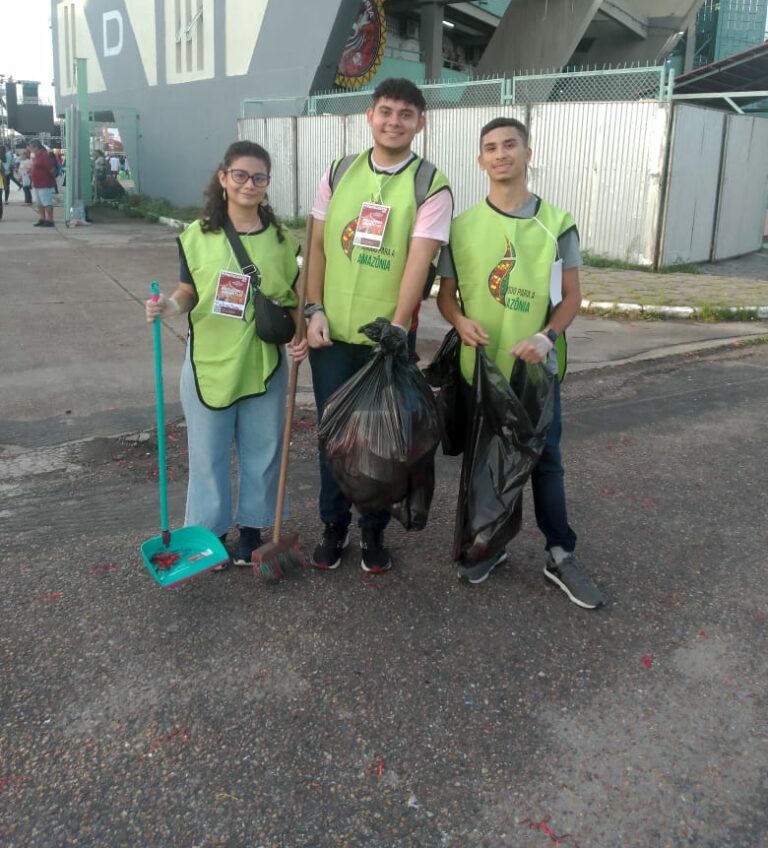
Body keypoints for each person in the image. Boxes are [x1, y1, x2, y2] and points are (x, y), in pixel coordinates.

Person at [436, 117, 604, 608]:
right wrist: (459, 322)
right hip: (481, 371)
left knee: (546, 463)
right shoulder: (462, 227)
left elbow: (572, 297)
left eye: (510, 145)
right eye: (490, 147)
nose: (500, 154)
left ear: (528, 153)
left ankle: (560, 554)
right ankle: (489, 544)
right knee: (484, 462)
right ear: (480, 160)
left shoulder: (556, 223)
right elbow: (446, 296)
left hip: (535, 373)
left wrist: (547, 336)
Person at [305, 77, 453, 573]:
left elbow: (418, 261)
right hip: (330, 335)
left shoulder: (429, 185)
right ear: (370, 115)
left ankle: (372, 533)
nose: (394, 121)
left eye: (406, 114)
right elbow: (320, 246)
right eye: (386, 111)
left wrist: (395, 327)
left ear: (420, 123)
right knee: (334, 435)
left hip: (386, 340)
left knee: (381, 442)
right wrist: (312, 309)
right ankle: (333, 526)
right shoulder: (338, 172)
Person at [145, 140, 308, 567]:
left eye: (259, 177)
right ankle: (208, 535)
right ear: (223, 178)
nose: (249, 184)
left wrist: (302, 331)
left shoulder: (281, 240)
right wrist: (168, 309)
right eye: (240, 175)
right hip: (208, 363)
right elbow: (187, 292)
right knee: (207, 453)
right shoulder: (195, 237)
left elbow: (294, 296)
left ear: (268, 184)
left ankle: (252, 532)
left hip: (263, 362)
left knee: (264, 449)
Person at [28, 139, 57, 227]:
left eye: (31, 147)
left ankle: (50, 220)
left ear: (36, 147)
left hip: (45, 183)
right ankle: (42, 218)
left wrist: (53, 180)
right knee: (39, 203)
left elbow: (51, 169)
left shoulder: (44, 155)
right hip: (37, 183)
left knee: (47, 202)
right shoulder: (35, 156)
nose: (30, 149)